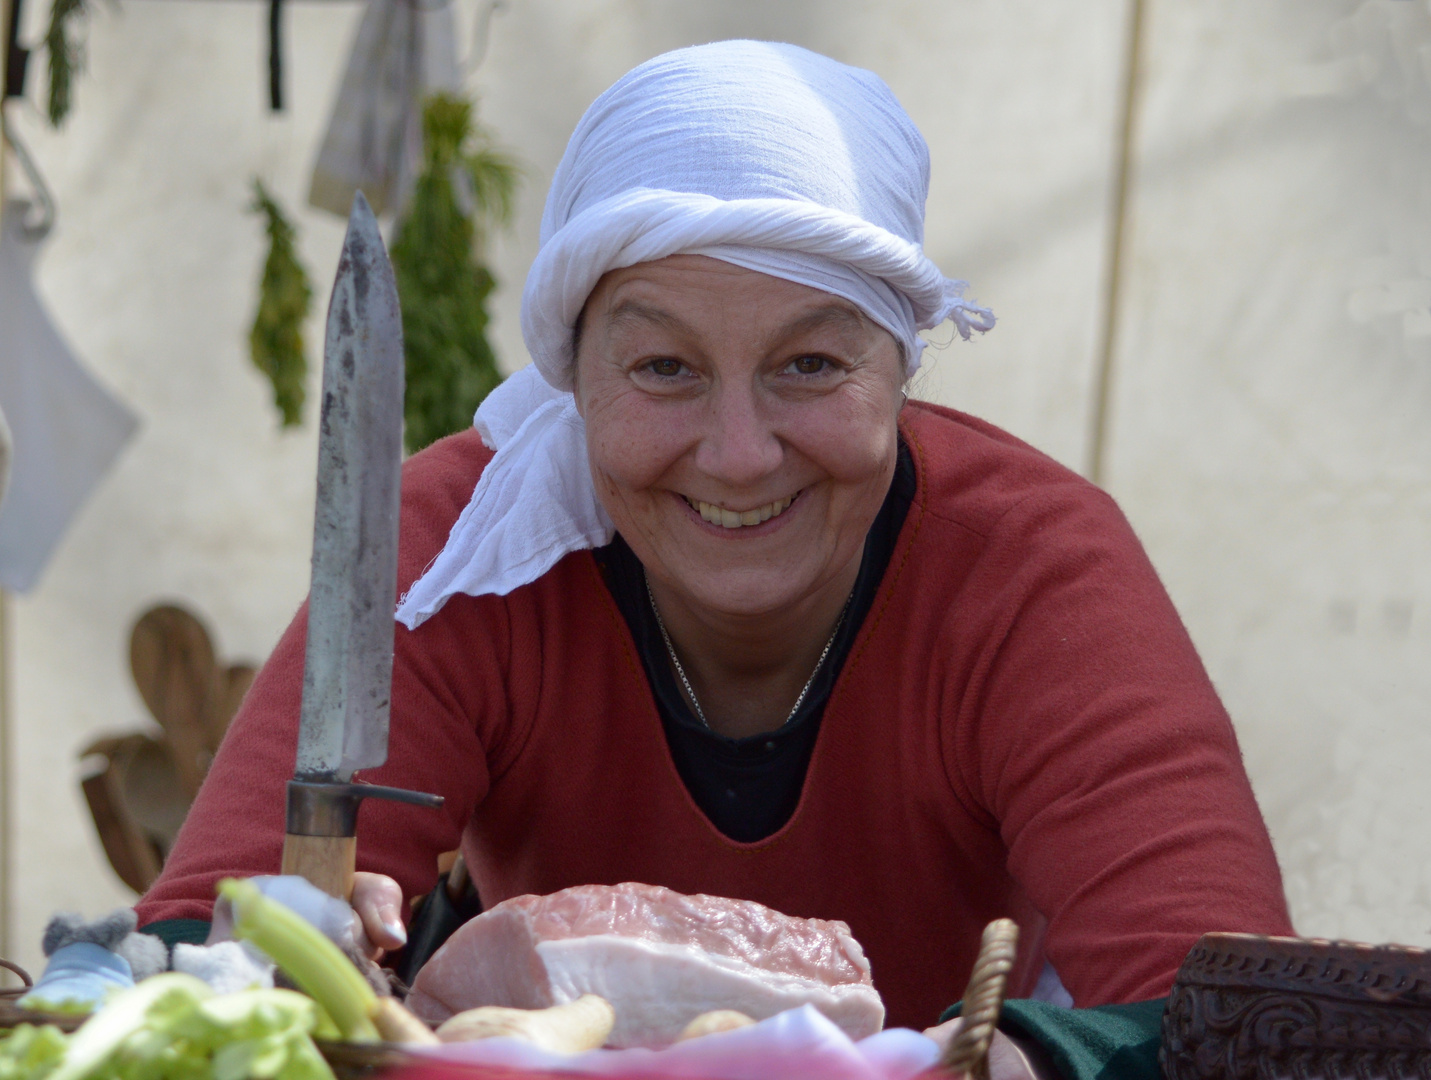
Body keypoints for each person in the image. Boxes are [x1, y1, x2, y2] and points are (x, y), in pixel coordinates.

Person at [137, 41, 1292, 1079]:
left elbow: (1228, 1014)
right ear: (569, 378)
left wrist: (1009, 1062)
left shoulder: (1030, 567)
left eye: (810, 366)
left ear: (900, 370)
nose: (739, 457)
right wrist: (291, 965)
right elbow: (193, 951)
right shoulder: (455, 550)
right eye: (661, 369)